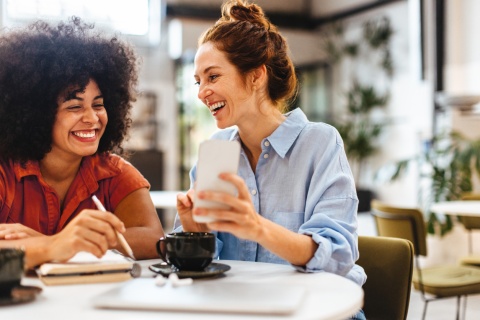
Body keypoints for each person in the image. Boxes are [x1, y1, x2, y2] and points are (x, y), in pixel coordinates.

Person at [174, 1, 366, 318]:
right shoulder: (216, 149)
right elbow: (199, 266)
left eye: (213, 76)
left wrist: (258, 228)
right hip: (241, 308)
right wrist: (195, 230)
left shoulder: (319, 142)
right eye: (199, 81)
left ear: (256, 76)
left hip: (317, 309)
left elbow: (338, 256)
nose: (201, 92)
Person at [0, 17, 164, 268]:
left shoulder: (114, 173)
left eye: (98, 104)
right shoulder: (5, 172)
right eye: (74, 106)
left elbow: (154, 239)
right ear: (37, 114)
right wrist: (57, 244)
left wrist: (61, 243)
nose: (92, 118)